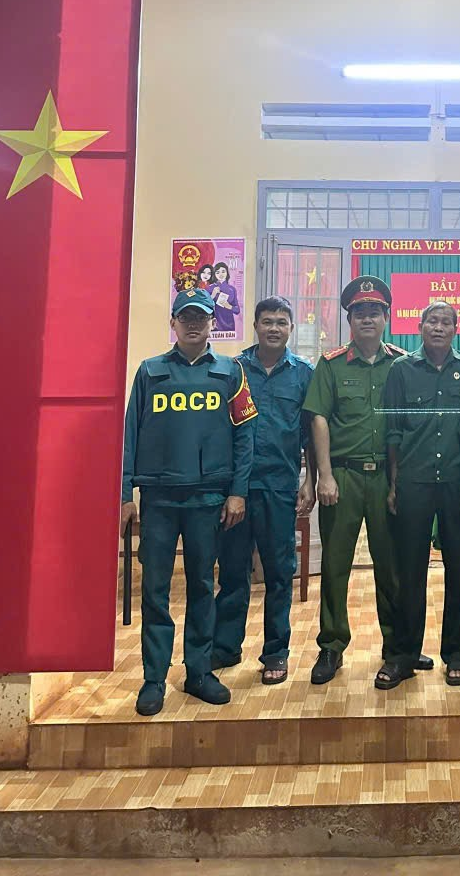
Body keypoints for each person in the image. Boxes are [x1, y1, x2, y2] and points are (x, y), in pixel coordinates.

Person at [119, 287, 257, 716]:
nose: (194, 324)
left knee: (201, 586)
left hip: (208, 499)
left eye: (201, 317)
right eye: (186, 317)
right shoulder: (150, 372)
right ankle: (154, 678)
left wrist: (237, 491)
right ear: (173, 324)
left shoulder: (231, 372)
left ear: (213, 322)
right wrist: (124, 494)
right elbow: (130, 434)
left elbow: (245, 437)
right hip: (159, 499)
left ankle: (198, 671)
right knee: (155, 591)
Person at [302, 276, 417, 685]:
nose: (367, 319)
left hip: (388, 477)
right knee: (335, 566)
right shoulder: (331, 365)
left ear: (387, 318)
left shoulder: (403, 364)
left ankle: (397, 648)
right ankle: (331, 646)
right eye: (360, 313)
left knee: (392, 567)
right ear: (349, 320)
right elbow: (318, 418)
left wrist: (402, 482)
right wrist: (324, 476)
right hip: (344, 476)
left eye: (375, 312)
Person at [212, 296, 314, 684]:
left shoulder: (303, 374)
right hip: (237, 489)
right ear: (255, 326)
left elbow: (310, 433)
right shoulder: (233, 370)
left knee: (278, 573)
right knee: (233, 572)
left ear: (291, 328)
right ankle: (225, 647)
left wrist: (310, 480)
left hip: (279, 487)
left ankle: (276, 652)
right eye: (267, 321)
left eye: (281, 322)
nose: (274, 328)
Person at [379, 301, 460, 689]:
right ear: (419, 326)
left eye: (446, 322)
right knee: (409, 573)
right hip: (414, 481)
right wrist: (393, 483)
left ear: (456, 329)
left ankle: (456, 653)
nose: (438, 327)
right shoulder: (401, 369)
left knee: (458, 570)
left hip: (456, 483)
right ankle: (403, 656)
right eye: (432, 321)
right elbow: (393, 431)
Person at [211, 261, 241, 333]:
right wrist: (213, 295)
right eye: (217, 272)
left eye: (223, 271)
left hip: (229, 325)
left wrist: (229, 306)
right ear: (214, 274)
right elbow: (205, 305)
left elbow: (237, 310)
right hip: (215, 325)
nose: (221, 274)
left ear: (227, 273)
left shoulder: (232, 289)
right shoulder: (211, 288)